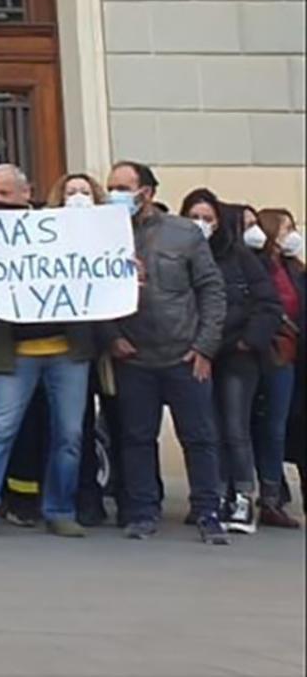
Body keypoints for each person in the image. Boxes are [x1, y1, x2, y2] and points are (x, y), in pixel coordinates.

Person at [0, 173, 100, 540]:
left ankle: (60, 510)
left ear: (27, 192)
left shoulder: (66, 232)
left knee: (69, 435)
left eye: (5, 192)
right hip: (13, 355)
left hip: (67, 352)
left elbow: (97, 277)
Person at [102, 161, 228, 544]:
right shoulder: (103, 233)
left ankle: (208, 511)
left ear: (147, 192)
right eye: (111, 187)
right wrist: (111, 337)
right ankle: (143, 512)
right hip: (134, 357)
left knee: (199, 437)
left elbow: (211, 290)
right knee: (137, 438)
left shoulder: (183, 233)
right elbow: (90, 292)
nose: (115, 194)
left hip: (184, 355)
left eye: (123, 187)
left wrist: (205, 346)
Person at [183, 188, 282, 533]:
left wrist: (248, 341)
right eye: (193, 217)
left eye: (207, 218)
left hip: (236, 355)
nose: (200, 224)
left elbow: (268, 304)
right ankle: (212, 497)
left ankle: (242, 498)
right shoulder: (178, 253)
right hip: (195, 353)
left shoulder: (238, 256)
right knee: (204, 430)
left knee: (235, 428)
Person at [252, 207, 304, 527]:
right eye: (286, 229)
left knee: (283, 424)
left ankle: (275, 493)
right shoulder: (258, 267)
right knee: (268, 425)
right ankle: (270, 493)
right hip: (269, 353)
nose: (292, 236)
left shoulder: (295, 268)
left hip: (292, 355)